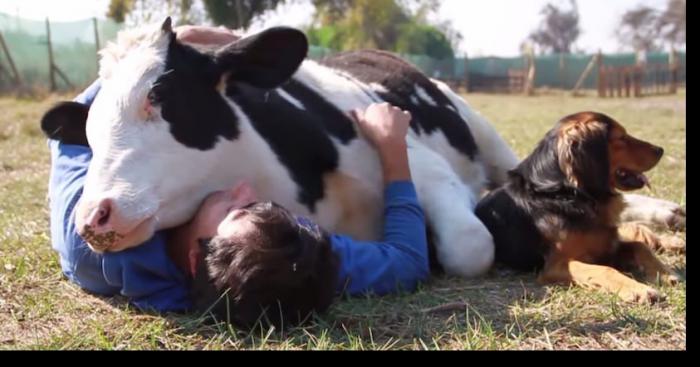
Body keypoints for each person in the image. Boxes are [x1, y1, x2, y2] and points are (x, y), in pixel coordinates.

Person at [48, 27, 429, 327]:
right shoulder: (283, 259)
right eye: (264, 204)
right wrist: (394, 154)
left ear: (197, 259)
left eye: (239, 209)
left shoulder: (95, 250)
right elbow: (406, 264)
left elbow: (69, 136)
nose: (245, 190)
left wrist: (145, 54)